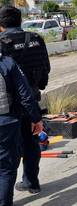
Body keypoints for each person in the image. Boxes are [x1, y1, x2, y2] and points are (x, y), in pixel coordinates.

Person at [0, 6, 50, 195]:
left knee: (7, 154)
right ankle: (31, 182)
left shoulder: (2, 43)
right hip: (32, 100)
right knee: (31, 143)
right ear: (20, 21)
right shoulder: (37, 39)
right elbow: (46, 69)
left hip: (8, 107)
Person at [0, 50, 44, 206]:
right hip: (6, 123)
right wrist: (36, 118)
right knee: (6, 170)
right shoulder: (7, 63)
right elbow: (25, 95)